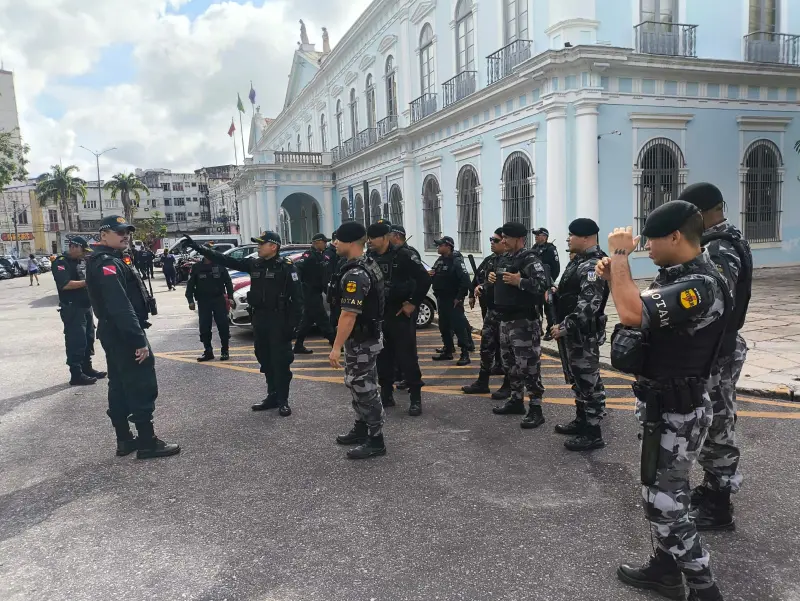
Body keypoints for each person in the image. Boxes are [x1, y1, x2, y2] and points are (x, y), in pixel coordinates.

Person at [597, 201, 729, 601]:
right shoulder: (680, 275)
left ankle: (706, 591)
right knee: (666, 493)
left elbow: (633, 313)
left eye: (651, 239)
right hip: (664, 405)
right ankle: (665, 568)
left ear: (675, 237)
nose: (645, 246)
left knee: (664, 505)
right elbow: (645, 313)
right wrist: (615, 275)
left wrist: (619, 257)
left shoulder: (700, 284)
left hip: (680, 410)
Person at [680, 182, 753, 531]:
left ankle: (719, 505)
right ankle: (712, 489)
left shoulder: (721, 248)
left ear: (703, 212)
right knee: (716, 420)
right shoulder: (727, 238)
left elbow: (716, 301)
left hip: (718, 351)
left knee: (718, 424)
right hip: (720, 347)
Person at [86, 216, 180, 460]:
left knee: (118, 384)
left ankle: (125, 440)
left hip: (115, 332)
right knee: (140, 383)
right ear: (103, 234)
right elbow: (120, 306)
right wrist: (138, 340)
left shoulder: (109, 260)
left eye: (127, 231)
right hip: (124, 333)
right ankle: (147, 443)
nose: (125, 235)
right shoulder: (107, 263)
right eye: (119, 232)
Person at [185, 231, 302, 416]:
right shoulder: (254, 263)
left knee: (281, 361)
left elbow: (298, 299)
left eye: (262, 243)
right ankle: (272, 396)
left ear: (273, 246)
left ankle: (283, 400)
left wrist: (293, 326)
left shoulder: (287, 267)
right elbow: (225, 260)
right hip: (260, 320)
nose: (258, 246)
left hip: (279, 321)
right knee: (264, 357)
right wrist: (200, 249)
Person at [549, 218, 609, 451]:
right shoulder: (579, 262)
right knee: (578, 379)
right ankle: (582, 420)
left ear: (586, 238)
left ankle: (593, 433)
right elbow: (572, 293)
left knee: (589, 382)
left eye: (572, 234)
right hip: (573, 333)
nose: (568, 238)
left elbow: (589, 305)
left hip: (582, 334)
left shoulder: (593, 264)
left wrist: (564, 326)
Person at [329, 221, 386, 460]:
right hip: (363, 339)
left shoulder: (356, 273)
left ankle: (376, 439)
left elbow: (349, 314)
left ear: (351, 243)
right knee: (357, 384)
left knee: (364, 387)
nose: (334, 244)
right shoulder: (362, 265)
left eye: (338, 240)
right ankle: (362, 427)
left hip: (362, 340)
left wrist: (335, 348)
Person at [367, 219, 431, 415]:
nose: (369, 241)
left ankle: (415, 397)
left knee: (406, 356)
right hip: (380, 314)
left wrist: (413, 303)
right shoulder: (370, 257)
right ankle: (386, 394)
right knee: (382, 356)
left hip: (399, 313)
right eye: (368, 238)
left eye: (373, 238)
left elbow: (424, 279)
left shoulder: (404, 255)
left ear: (385, 238)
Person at [490, 222, 548, 428]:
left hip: (524, 322)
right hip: (506, 320)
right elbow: (502, 282)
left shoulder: (530, 258)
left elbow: (542, 284)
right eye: (502, 237)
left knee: (529, 366)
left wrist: (520, 281)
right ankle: (516, 400)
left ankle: (535, 408)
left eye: (506, 237)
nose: (502, 241)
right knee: (510, 364)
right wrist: (491, 280)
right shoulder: (505, 258)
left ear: (519, 239)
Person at [52, 237, 107, 386]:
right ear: (74, 247)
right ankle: (76, 374)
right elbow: (65, 284)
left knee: (88, 337)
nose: (84, 254)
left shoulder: (82, 261)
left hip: (85, 306)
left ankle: (87, 368)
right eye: (83, 250)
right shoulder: (61, 262)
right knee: (76, 340)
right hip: (72, 307)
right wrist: (88, 282)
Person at [463, 228, 509, 397]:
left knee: (507, 351)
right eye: (491, 239)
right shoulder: (490, 260)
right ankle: (482, 382)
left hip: (506, 314)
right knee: (486, 347)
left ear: (505, 242)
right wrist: (478, 288)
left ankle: (508, 385)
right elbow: (479, 278)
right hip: (491, 311)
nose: (492, 243)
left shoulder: (513, 261)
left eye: (495, 240)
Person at [186, 248, 234, 362]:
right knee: (204, 326)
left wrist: (230, 297)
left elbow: (228, 282)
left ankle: (225, 350)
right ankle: (208, 351)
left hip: (218, 300)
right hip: (203, 301)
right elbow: (190, 285)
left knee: (223, 325)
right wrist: (190, 300)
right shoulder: (197, 267)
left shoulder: (220, 265)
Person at [430, 236, 472, 365]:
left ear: (448, 246)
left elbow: (465, 280)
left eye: (440, 245)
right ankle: (448, 350)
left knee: (459, 327)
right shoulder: (440, 260)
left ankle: (465, 353)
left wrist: (459, 297)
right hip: (441, 298)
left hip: (453, 300)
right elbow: (434, 272)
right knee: (444, 326)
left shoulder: (456, 260)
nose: (438, 247)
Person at [294, 233, 336, 353]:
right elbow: (298, 268)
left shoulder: (320, 255)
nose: (326, 244)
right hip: (310, 293)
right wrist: (301, 286)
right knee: (322, 319)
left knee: (307, 321)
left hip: (316, 292)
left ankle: (298, 345)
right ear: (317, 242)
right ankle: (334, 342)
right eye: (324, 242)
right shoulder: (309, 255)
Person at [533, 227, 560, 340]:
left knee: (549, 307)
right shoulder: (534, 248)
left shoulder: (550, 249)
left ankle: (550, 329)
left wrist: (549, 282)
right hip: (536, 283)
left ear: (545, 236)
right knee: (536, 306)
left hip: (547, 283)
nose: (536, 236)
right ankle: (539, 328)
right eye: (535, 234)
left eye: (538, 235)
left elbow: (556, 267)